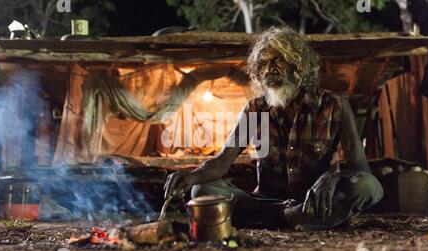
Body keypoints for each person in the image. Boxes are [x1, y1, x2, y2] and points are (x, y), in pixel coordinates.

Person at [164, 26, 383, 229]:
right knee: (201, 190)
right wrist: (190, 176)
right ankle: (291, 218)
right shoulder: (255, 108)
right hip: (264, 202)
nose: (269, 69)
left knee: (368, 186)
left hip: (312, 201)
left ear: (298, 67)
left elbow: (361, 170)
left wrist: (332, 177)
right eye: (264, 64)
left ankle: (284, 218)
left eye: (278, 61)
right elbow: (222, 162)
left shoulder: (335, 106)